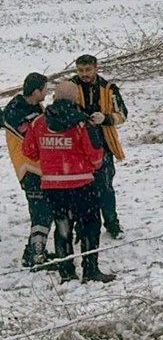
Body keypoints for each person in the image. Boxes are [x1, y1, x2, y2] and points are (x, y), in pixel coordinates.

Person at [24, 81, 115, 283]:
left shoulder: (39, 122)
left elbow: (29, 151)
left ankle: (67, 272)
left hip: (52, 185)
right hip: (82, 183)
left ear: (54, 97)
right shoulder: (82, 123)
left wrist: (50, 158)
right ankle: (90, 270)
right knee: (90, 226)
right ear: (75, 98)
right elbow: (95, 155)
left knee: (62, 227)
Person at [70, 55, 127, 239]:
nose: (84, 74)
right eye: (80, 71)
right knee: (80, 190)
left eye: (87, 70)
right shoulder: (70, 87)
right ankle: (81, 227)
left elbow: (122, 115)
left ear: (96, 68)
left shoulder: (109, 89)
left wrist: (105, 118)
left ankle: (112, 224)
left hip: (103, 144)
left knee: (105, 188)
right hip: (77, 147)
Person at [3, 73, 52, 270]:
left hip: (39, 167)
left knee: (44, 211)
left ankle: (32, 251)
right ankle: (36, 256)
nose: (47, 92)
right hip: (28, 169)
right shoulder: (16, 112)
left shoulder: (33, 106)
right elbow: (34, 137)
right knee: (41, 212)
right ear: (36, 91)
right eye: (45, 88)